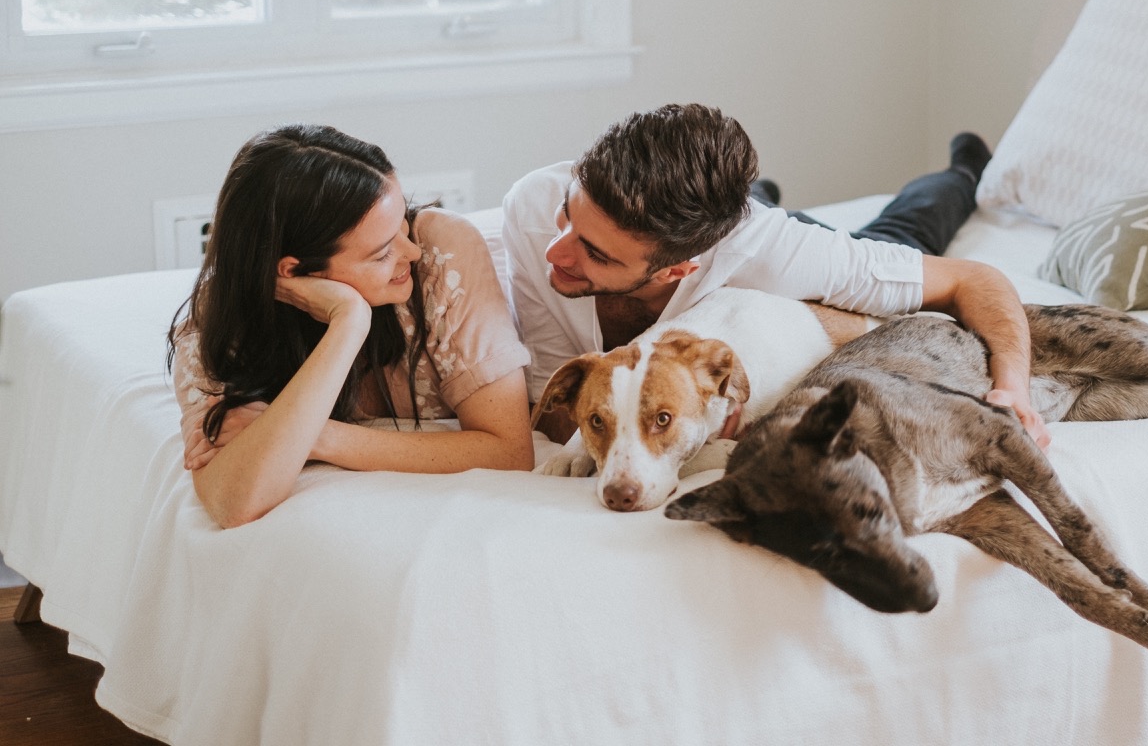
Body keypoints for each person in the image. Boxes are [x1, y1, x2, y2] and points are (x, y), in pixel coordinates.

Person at [498, 103, 1050, 451]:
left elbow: (974, 280)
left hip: (769, 241)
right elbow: (553, 410)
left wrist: (1013, 389)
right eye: (569, 214)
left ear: (677, 271)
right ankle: (760, 193)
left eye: (593, 252)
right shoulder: (530, 207)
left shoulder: (783, 255)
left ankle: (963, 167)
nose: (556, 251)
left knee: (900, 232)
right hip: (719, 225)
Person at [169, 124, 535, 529]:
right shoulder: (226, 317)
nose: (409, 252)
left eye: (402, 222)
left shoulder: (439, 251)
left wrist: (318, 436)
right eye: (381, 254)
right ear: (294, 272)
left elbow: (509, 452)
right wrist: (349, 322)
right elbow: (234, 502)